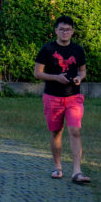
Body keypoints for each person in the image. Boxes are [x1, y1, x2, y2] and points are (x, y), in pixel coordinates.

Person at [33, 15, 90, 185]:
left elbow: (82, 71)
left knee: (75, 131)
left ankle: (77, 171)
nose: (65, 32)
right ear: (56, 31)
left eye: (68, 29)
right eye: (62, 29)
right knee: (56, 132)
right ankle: (58, 167)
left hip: (74, 97)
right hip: (52, 97)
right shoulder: (47, 50)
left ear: (72, 32)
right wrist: (56, 78)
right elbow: (37, 73)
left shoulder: (78, 50)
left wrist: (80, 78)